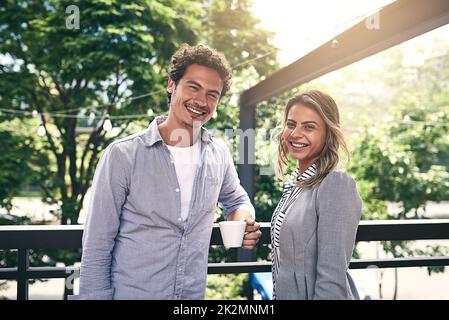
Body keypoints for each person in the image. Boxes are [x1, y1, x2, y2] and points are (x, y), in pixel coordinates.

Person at [70, 44, 261, 300]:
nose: (201, 101)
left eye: (212, 94)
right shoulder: (123, 155)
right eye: (193, 87)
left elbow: (236, 200)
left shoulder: (219, 153)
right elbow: (96, 247)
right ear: (172, 85)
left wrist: (243, 220)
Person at [271, 90, 362, 300]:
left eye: (309, 127)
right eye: (291, 124)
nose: (295, 134)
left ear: (328, 133)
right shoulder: (296, 183)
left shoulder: (336, 184)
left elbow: (331, 280)